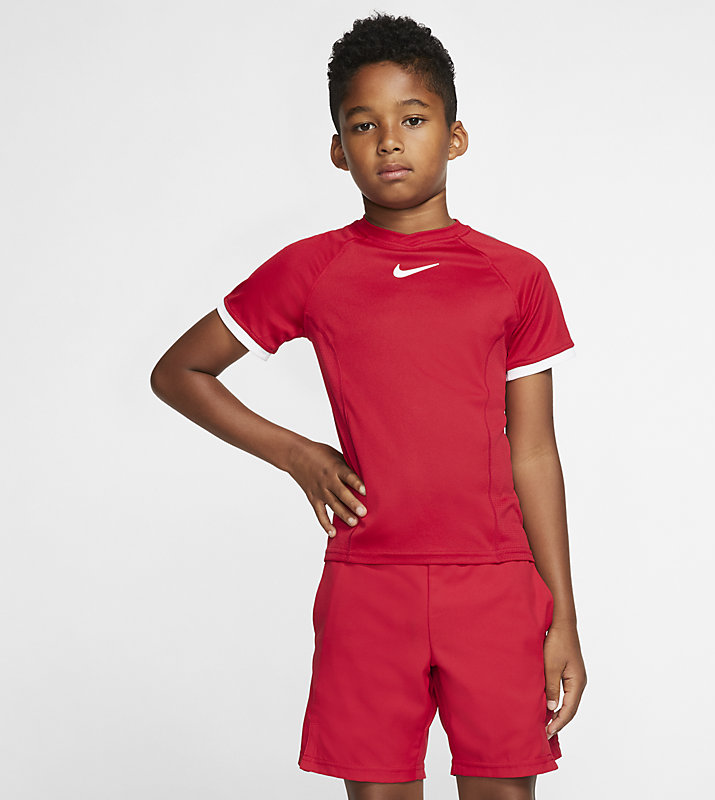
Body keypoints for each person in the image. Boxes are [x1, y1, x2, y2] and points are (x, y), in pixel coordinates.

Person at [150, 11, 587, 800]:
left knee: (503, 790)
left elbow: (534, 452)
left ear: (455, 135)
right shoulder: (312, 269)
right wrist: (298, 454)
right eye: (364, 125)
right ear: (337, 149)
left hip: (494, 582)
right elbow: (180, 372)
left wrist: (565, 618)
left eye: (412, 119)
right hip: (369, 582)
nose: (389, 141)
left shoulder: (515, 277)